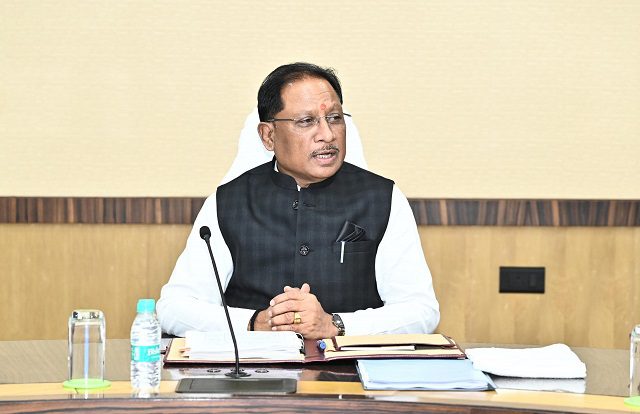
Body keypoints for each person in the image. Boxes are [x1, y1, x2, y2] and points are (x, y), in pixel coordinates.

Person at [157, 62, 439, 340]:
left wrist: (335, 325)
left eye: (335, 118)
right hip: (254, 367)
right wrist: (255, 322)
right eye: (306, 121)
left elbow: (420, 310)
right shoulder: (228, 202)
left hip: (350, 367)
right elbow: (174, 308)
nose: (327, 135)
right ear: (268, 136)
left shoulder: (382, 198)